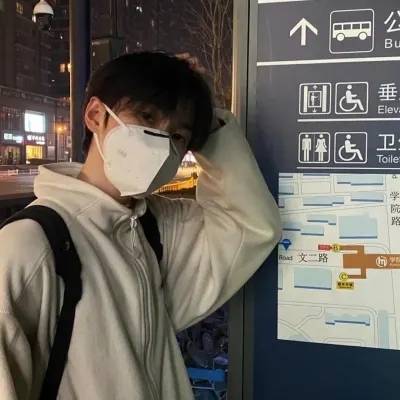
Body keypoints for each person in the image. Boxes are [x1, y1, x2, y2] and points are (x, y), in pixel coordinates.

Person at [0, 52, 281, 400]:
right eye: (146, 116)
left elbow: (249, 224)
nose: (161, 142)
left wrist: (209, 121)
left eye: (178, 135)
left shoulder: (154, 228)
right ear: (96, 115)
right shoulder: (29, 245)